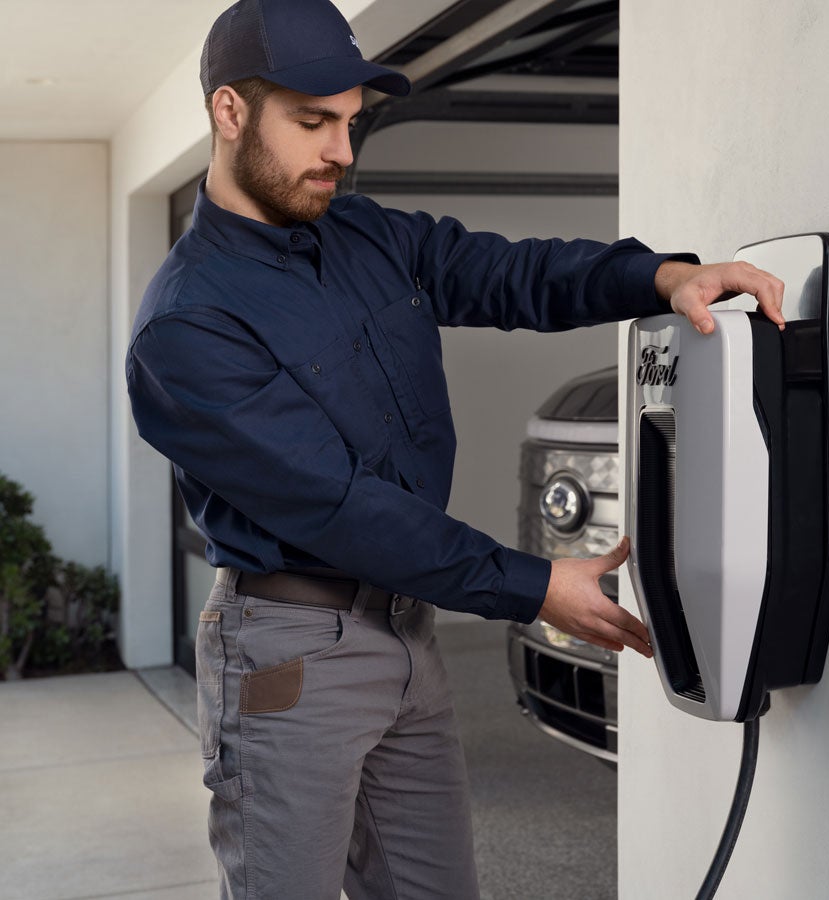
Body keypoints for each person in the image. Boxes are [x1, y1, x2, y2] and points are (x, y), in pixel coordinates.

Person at [126, 1, 786, 897]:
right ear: (230, 111)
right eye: (314, 122)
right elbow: (341, 507)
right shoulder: (187, 324)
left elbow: (513, 271)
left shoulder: (365, 237)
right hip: (288, 653)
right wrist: (535, 585)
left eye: (351, 123)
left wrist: (664, 276)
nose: (342, 153)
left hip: (405, 629)